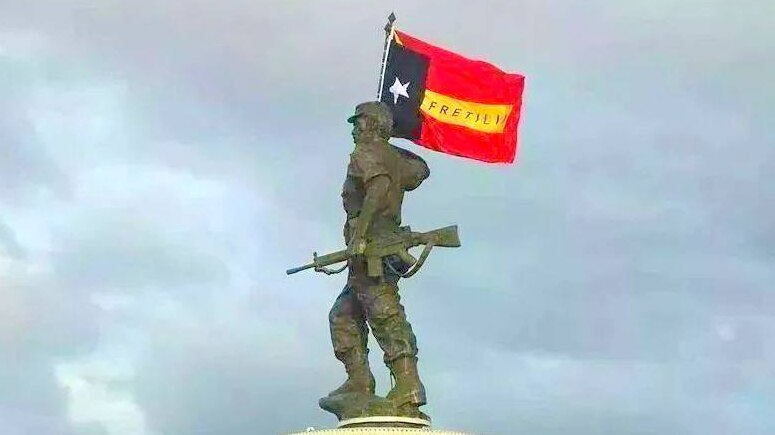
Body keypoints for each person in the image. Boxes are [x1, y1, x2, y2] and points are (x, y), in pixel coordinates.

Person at [321, 101, 430, 419]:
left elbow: (380, 187)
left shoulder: (367, 153)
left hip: (371, 248)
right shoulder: (391, 156)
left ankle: (409, 387)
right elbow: (417, 171)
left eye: (360, 123)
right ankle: (359, 381)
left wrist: (360, 235)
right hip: (376, 245)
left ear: (374, 126)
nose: (355, 129)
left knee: (384, 313)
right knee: (343, 315)